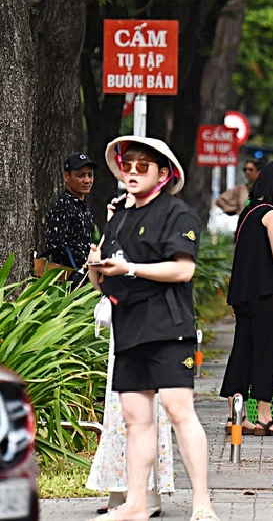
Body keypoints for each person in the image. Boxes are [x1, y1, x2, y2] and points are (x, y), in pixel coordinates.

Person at [87, 136, 217, 521]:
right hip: (128, 330)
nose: (131, 172)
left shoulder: (179, 214)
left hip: (168, 328)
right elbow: (106, 282)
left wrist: (129, 268)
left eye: (143, 166)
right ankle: (137, 505)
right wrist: (98, 268)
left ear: (163, 174)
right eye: (128, 165)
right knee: (135, 420)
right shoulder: (119, 217)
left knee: (180, 412)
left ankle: (202, 503)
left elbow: (183, 269)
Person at [86, 194, 172, 518]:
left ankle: (149, 495)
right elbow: (100, 284)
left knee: (148, 412)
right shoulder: (116, 233)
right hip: (123, 334)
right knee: (119, 411)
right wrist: (98, 261)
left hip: (153, 329)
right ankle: (119, 490)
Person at [221, 161, 273, 437]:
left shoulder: (248, 212)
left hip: (244, 294)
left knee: (241, 351)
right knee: (266, 352)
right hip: (268, 293)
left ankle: (236, 415)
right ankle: (265, 417)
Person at [43, 152, 98, 270]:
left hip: (85, 276)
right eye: (81, 175)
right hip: (68, 279)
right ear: (66, 176)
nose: (87, 180)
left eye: (90, 175)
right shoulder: (63, 205)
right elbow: (54, 245)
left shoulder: (82, 204)